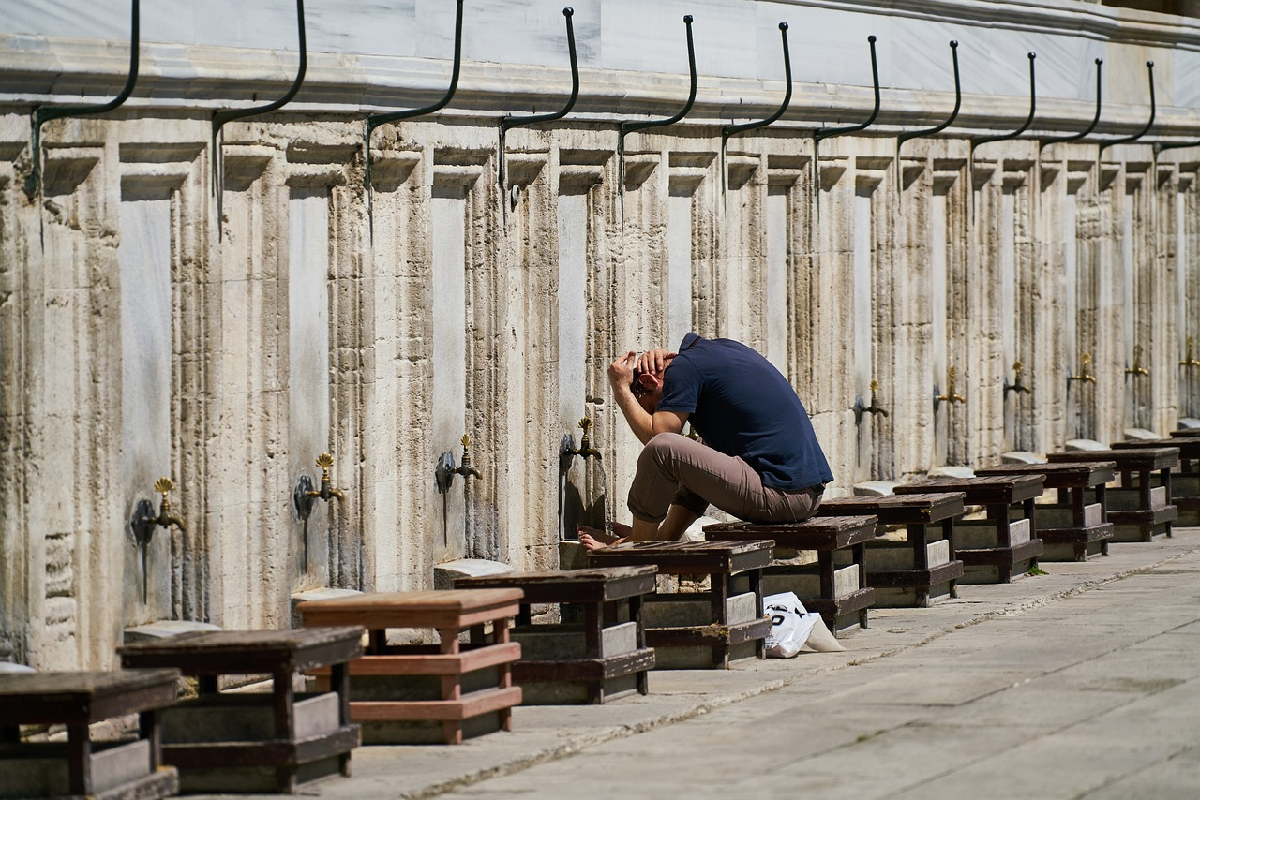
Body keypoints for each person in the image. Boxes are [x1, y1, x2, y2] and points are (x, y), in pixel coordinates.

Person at [579, 332, 832, 549]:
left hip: (782, 495)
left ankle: (639, 547)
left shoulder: (684, 369)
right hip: (804, 495)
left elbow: (658, 437)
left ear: (648, 381)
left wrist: (622, 389)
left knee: (663, 448)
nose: (657, 412)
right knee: (697, 451)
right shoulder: (715, 352)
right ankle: (664, 537)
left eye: (651, 408)